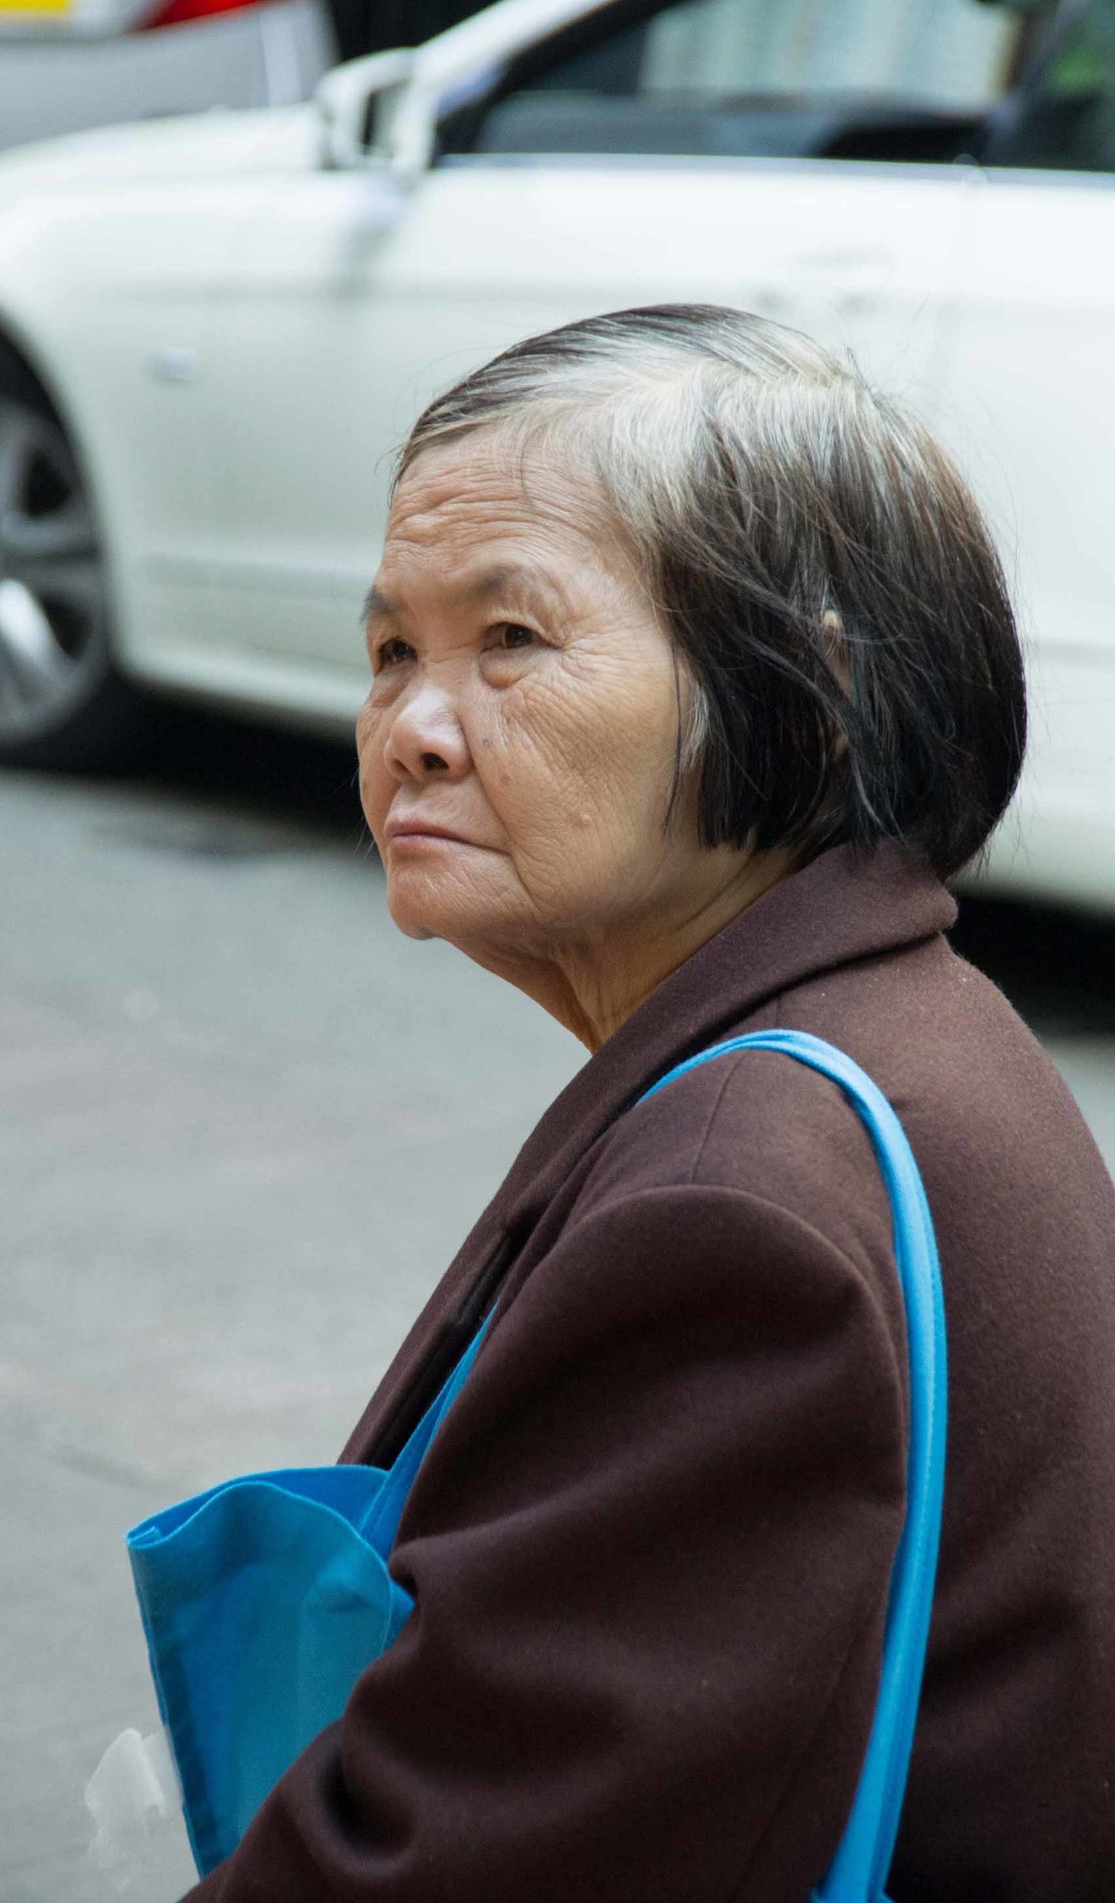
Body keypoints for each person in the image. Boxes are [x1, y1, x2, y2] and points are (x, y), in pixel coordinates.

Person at [184, 305, 1115, 1902]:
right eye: (393, 651)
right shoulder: (885, 1028)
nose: (412, 730)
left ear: (805, 692)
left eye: (511, 640)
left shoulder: (739, 1201)